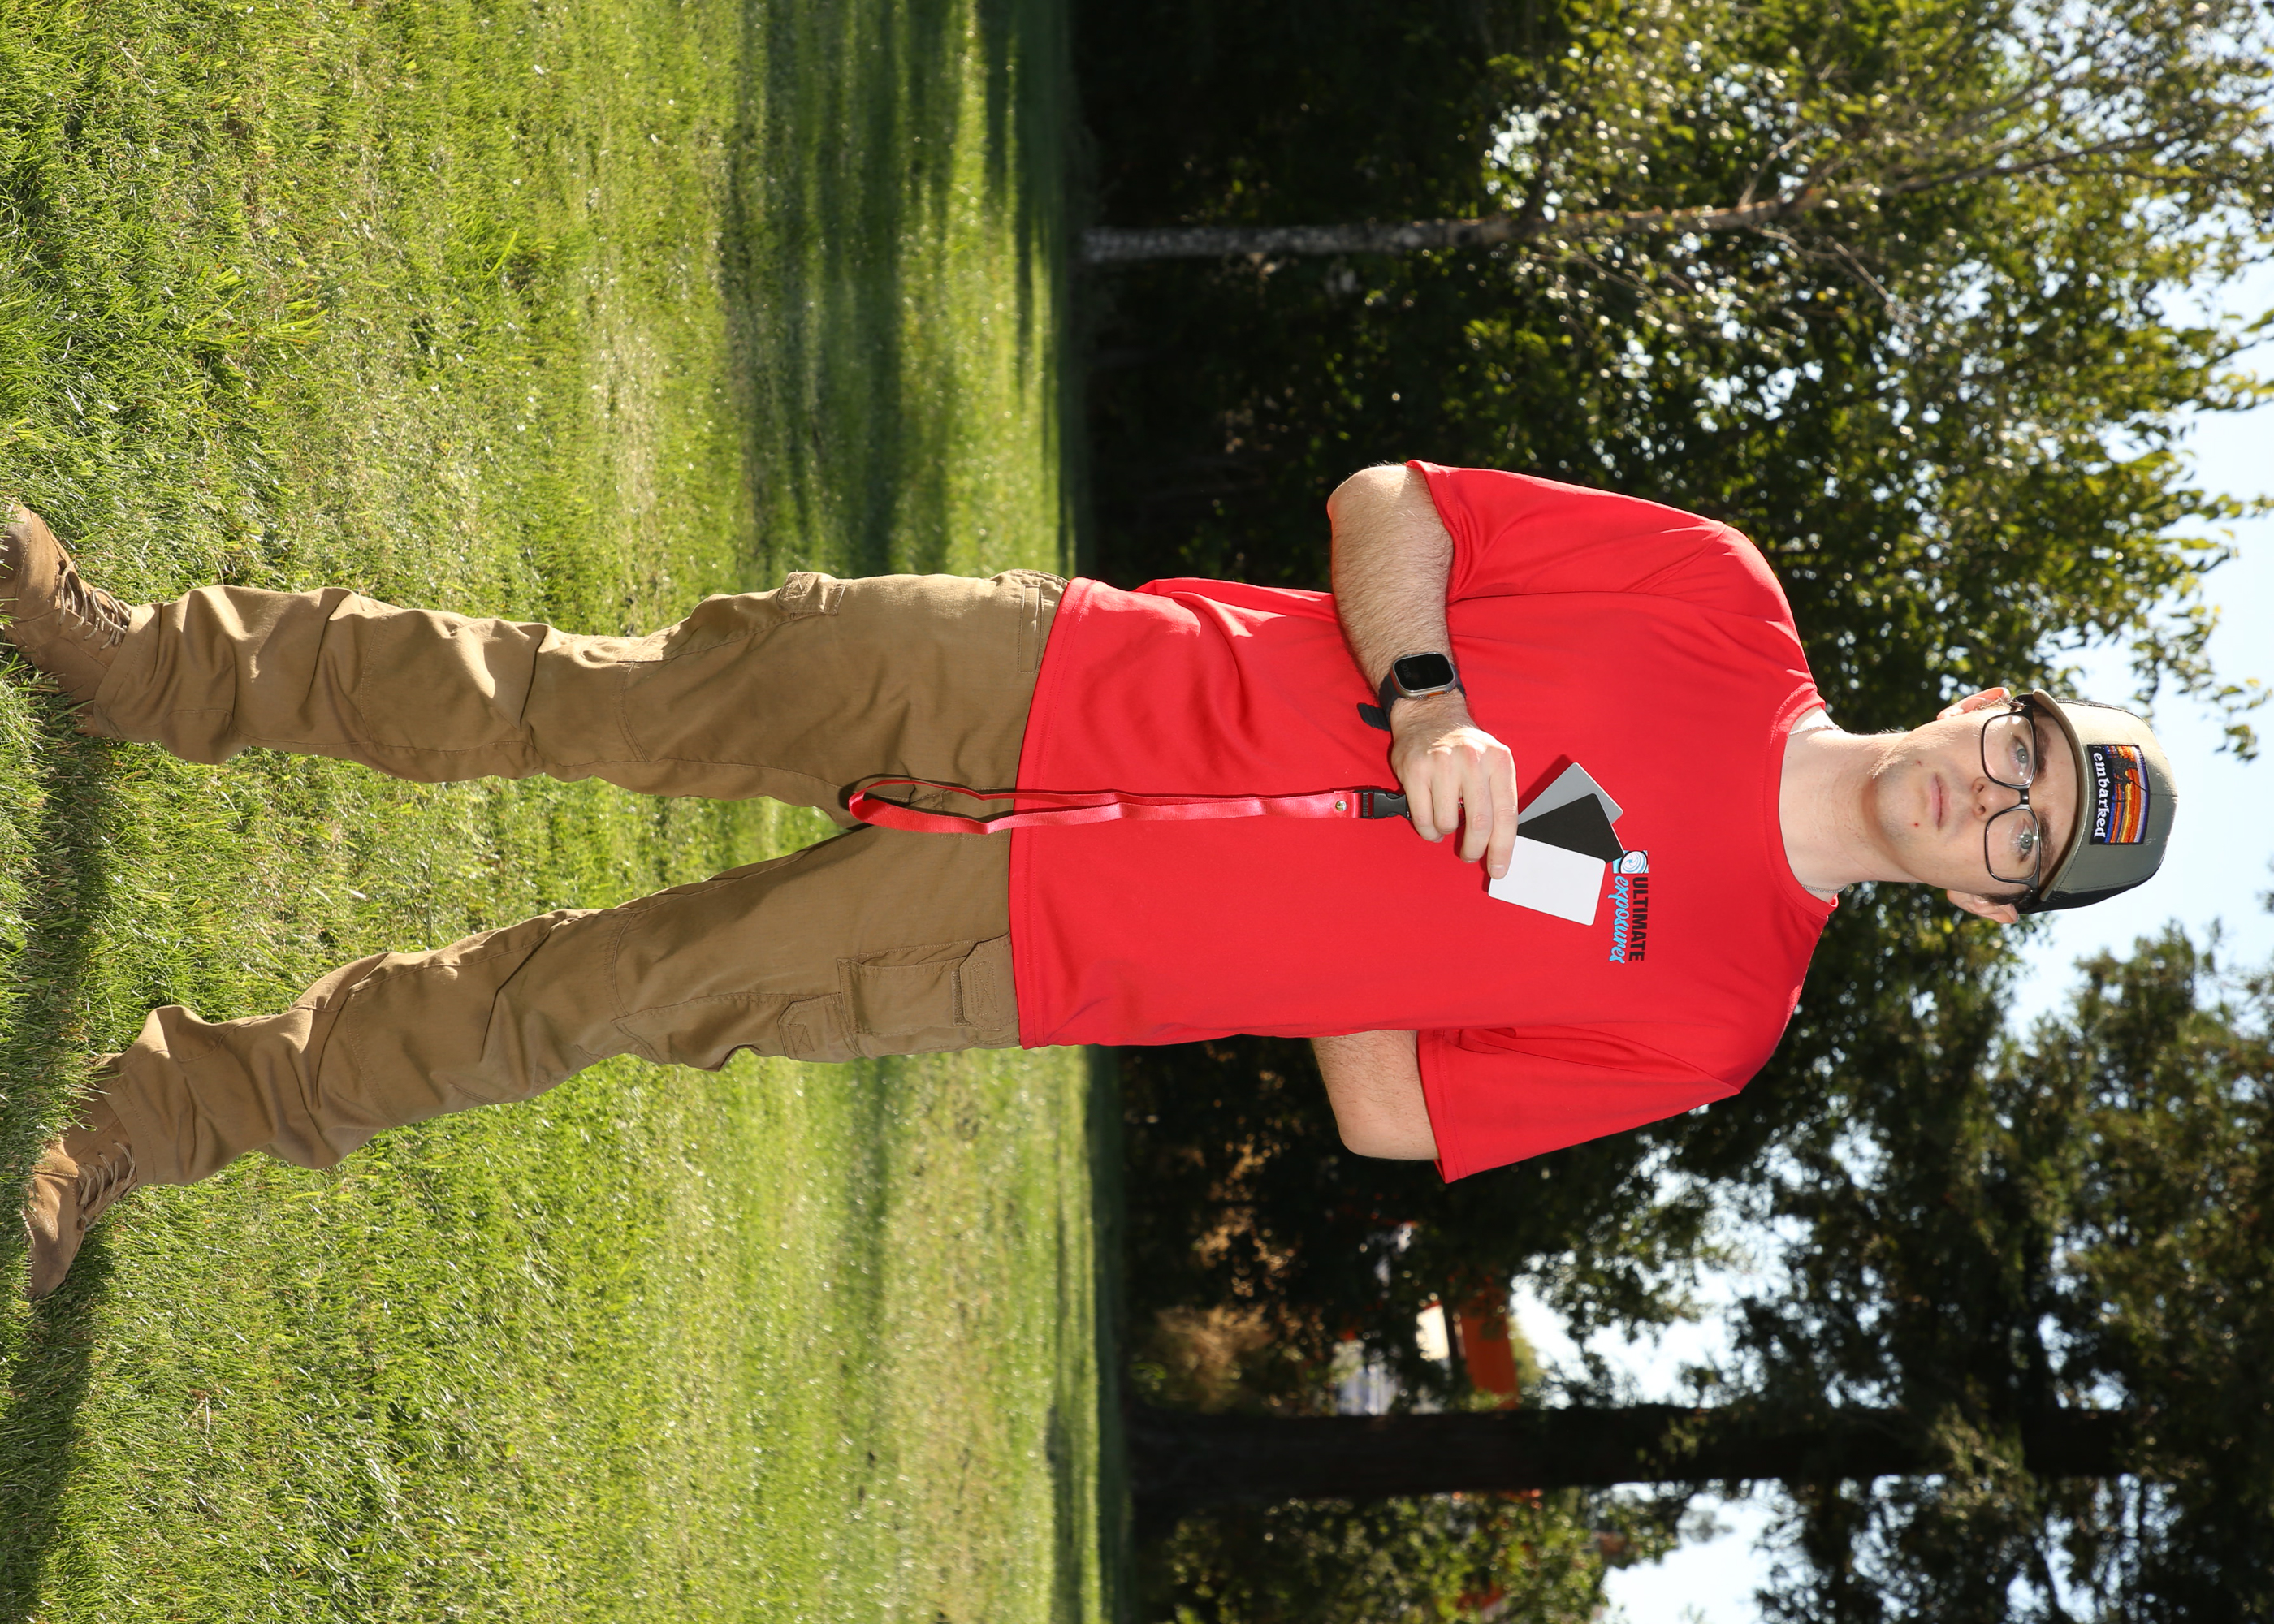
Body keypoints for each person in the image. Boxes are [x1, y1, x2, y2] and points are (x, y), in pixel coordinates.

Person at [9, 461, 2178, 1299]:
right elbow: (1392, 506)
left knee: (603, 996)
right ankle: (141, 666)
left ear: (1993, 907)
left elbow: (1395, 1113)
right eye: (2028, 752)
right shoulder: (1720, 596)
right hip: (1058, 672)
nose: (1991, 795)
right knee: (590, 696)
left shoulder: (1719, 1017)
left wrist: (1375, 930)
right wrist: (1426, 705)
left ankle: (162, 1114)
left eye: (2029, 836)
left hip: (1034, 950)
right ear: (1990, 701)